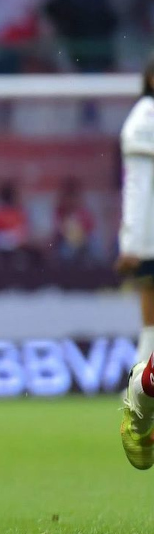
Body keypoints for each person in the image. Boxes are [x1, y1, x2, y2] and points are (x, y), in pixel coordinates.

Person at [117, 55, 154, 470]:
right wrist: (133, 241)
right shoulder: (145, 119)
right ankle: (140, 402)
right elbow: (138, 185)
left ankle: (140, 401)